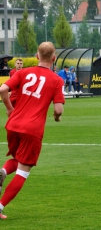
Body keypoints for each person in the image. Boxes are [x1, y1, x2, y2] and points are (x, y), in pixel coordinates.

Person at [0, 42, 65, 219]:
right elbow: (58, 110)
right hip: (32, 129)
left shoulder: (22, 72)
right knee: (23, 170)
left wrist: (10, 109)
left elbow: (3, 89)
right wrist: (57, 117)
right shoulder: (57, 80)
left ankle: (3, 172)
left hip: (13, 125)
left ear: (37, 56)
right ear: (53, 58)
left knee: (16, 159)